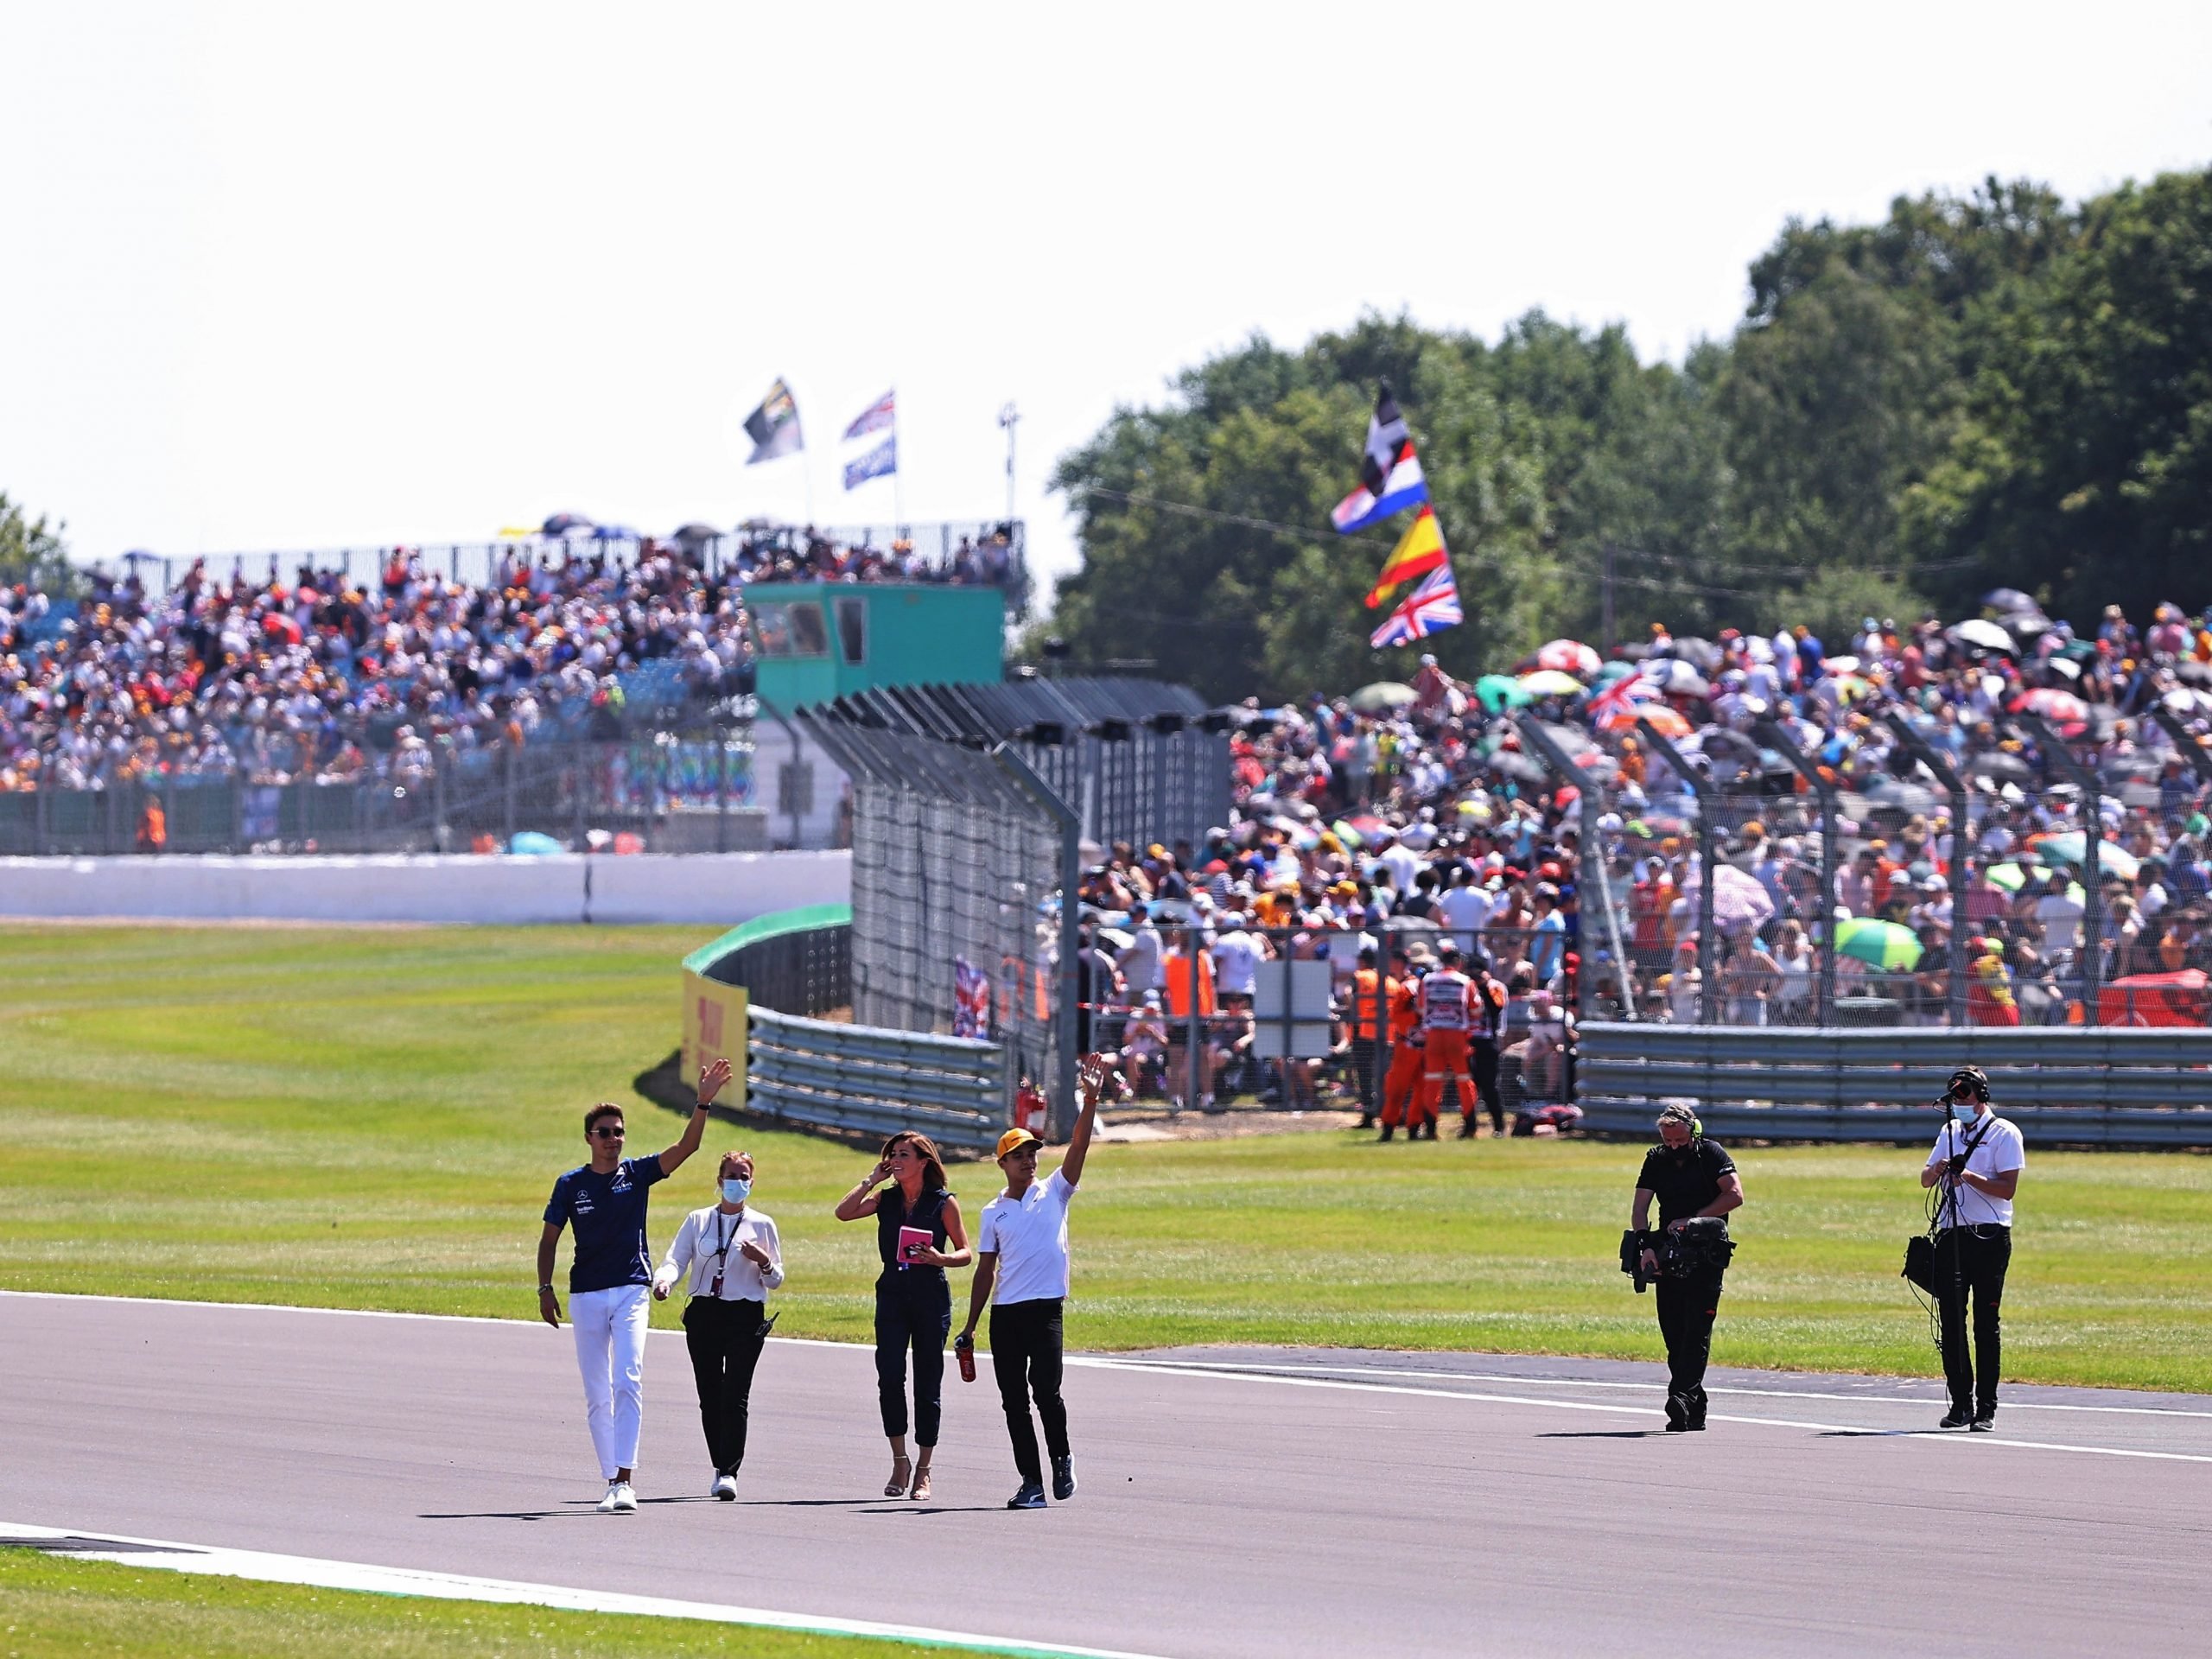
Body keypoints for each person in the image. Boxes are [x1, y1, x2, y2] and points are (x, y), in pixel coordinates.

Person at [537, 1057, 731, 1514]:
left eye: (619, 1131)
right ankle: (610, 1479)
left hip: (630, 1289)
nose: (613, 1139)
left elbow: (686, 1147)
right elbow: (549, 1239)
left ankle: (625, 1480)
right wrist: (544, 1289)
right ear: (589, 1138)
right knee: (596, 1392)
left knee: (628, 1378)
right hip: (585, 1293)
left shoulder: (637, 1174)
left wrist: (702, 1102)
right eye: (604, 1132)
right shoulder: (570, 1185)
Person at [957, 1052, 1108, 1510]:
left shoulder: (1055, 1191)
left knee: (1046, 1391)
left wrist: (1090, 1102)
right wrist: (970, 1325)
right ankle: (1031, 1482)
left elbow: (1078, 1148)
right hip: (1006, 1316)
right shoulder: (992, 1212)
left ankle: (1062, 1459)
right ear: (1002, 1163)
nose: (1029, 1162)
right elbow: (986, 1270)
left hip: (1045, 1310)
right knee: (1013, 1403)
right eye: (1019, 1156)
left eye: (1032, 1154)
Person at [834, 1131, 971, 1503]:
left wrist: (940, 1258)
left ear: (923, 1162)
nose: (896, 1159)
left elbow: (966, 1252)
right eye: (892, 1154)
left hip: (930, 1297)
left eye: (904, 1154)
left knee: (928, 1384)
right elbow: (843, 1212)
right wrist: (871, 1180)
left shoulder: (943, 1203)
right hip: (892, 1295)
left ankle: (924, 1469)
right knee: (890, 1376)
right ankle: (900, 1461)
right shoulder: (887, 1198)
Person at [653, 1147, 784, 1499]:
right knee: (709, 1395)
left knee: (735, 1395)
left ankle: (729, 1472)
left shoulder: (762, 1224)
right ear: (719, 1179)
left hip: (745, 1314)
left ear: (752, 1182)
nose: (737, 1182)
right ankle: (718, 1463)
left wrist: (765, 1262)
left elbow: (775, 1280)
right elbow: (676, 1259)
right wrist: (663, 1281)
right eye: (732, 1176)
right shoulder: (698, 1220)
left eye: (744, 1177)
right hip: (705, 1313)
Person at [1921, 1065, 2025, 1431]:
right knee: (1950, 1320)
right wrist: (1939, 1171)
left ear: (1981, 1096)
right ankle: (1960, 1403)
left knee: (1985, 1322)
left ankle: (1987, 1408)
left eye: (1965, 1095)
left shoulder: (2004, 1132)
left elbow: (2007, 1188)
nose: (1960, 1103)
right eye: (1955, 1097)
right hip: (1952, 1233)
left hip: (1990, 1235)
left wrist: (1968, 1176)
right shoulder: (1949, 1131)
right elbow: (1924, 1178)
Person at [1630, 1102, 1745, 1431]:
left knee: (1697, 1330)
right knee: (1674, 1332)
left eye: (1680, 1141)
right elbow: (1640, 1207)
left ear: (1694, 1133)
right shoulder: (1656, 1159)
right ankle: (1695, 1406)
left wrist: (1694, 1220)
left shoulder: (1712, 1154)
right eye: (1669, 1142)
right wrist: (1646, 1246)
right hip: (1669, 1251)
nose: (1675, 1147)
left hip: (1706, 1251)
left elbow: (1735, 1195)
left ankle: (1679, 1398)